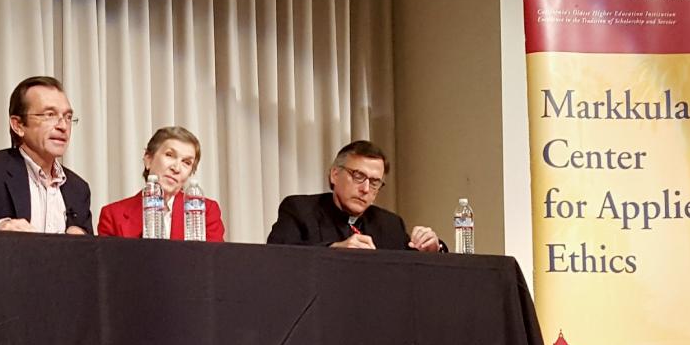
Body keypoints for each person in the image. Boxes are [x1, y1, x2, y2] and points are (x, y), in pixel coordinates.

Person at [0, 76, 92, 234]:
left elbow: (95, 255)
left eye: (67, 117)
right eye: (49, 115)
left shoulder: (78, 189)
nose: (63, 126)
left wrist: (83, 243)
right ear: (18, 125)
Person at [267, 140, 445, 252]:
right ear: (335, 174)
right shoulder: (300, 210)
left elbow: (411, 264)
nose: (366, 189)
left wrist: (433, 248)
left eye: (375, 182)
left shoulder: (390, 224)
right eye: (358, 176)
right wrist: (334, 250)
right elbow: (277, 254)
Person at [98, 126, 225, 241]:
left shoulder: (207, 211)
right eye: (169, 155)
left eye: (186, 162)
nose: (176, 168)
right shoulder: (113, 215)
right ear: (148, 160)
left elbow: (214, 264)